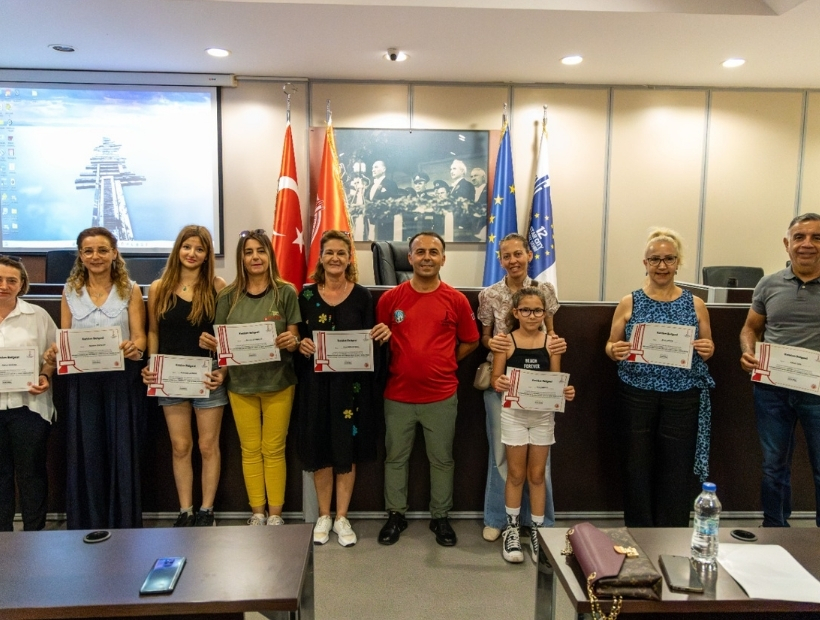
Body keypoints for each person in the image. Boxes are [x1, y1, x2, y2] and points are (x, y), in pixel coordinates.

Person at [376, 231, 479, 546]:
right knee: (395, 459)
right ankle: (396, 515)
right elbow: (379, 340)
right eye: (420, 252)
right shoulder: (390, 299)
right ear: (409, 258)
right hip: (398, 395)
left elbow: (471, 340)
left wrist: (445, 360)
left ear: (443, 259)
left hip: (441, 396)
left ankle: (440, 517)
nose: (426, 257)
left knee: (442, 460)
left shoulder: (456, 300)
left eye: (433, 252)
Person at [606, 228, 715, 527]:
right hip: (636, 394)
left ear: (678, 263)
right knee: (636, 466)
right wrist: (615, 350)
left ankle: (672, 532)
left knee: (677, 466)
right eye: (655, 259)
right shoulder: (630, 301)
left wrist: (708, 349)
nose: (662, 265)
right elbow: (610, 345)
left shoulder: (696, 304)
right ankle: (639, 532)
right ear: (645, 263)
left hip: (683, 396)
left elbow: (708, 347)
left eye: (669, 259)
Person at [295, 230, 391, 547]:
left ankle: (341, 517)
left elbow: (371, 340)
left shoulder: (362, 296)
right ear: (320, 258)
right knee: (319, 446)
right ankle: (324, 515)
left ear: (349, 259)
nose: (335, 258)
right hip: (315, 386)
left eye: (341, 252)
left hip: (351, 388)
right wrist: (301, 345)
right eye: (329, 252)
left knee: (345, 448)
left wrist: (381, 335)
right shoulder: (306, 296)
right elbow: (296, 338)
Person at [206, 229, 301, 525]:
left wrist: (291, 341)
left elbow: (295, 337)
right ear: (241, 258)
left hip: (278, 382)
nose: (255, 257)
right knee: (249, 450)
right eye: (248, 252)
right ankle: (257, 513)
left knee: (274, 450)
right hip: (240, 385)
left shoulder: (285, 292)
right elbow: (222, 345)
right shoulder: (227, 296)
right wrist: (220, 368)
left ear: (269, 255)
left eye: (260, 251)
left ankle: (275, 515)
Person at [55, 227, 147, 529]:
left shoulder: (130, 290)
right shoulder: (70, 292)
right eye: (89, 251)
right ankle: (88, 522)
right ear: (81, 256)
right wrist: (56, 351)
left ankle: (122, 523)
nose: (96, 256)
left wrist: (135, 348)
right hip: (83, 384)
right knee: (88, 451)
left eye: (103, 250)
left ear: (114, 253)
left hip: (121, 382)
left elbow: (140, 337)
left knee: (120, 451)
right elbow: (65, 337)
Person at [477, 233, 565, 546]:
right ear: (500, 259)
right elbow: (484, 336)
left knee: (539, 463)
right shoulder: (489, 294)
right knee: (501, 456)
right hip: (503, 381)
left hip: (539, 384)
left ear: (529, 255)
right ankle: (498, 519)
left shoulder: (544, 290)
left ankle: (540, 523)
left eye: (518, 254)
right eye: (506, 255)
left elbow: (551, 334)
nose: (513, 260)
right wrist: (498, 345)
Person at [141, 225, 227, 527]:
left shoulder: (218, 286)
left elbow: (226, 337)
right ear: (178, 249)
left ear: (207, 255)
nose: (192, 253)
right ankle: (185, 510)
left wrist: (223, 368)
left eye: (199, 249)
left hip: (208, 378)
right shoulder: (159, 287)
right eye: (187, 247)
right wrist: (151, 364)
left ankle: (206, 510)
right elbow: (153, 331)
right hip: (170, 378)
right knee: (180, 447)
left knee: (207, 446)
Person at [740, 212, 820, 527]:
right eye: (799, 237)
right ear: (787, 244)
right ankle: (775, 528)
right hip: (772, 390)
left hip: (817, 392)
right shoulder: (768, 284)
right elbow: (750, 328)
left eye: (816, 237)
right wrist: (748, 352)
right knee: (773, 466)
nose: (807, 244)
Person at [491, 287, 575, 563]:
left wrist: (565, 390)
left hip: (542, 416)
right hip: (513, 415)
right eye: (525, 310)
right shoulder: (506, 342)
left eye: (537, 310)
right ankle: (512, 529)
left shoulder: (551, 343)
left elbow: (556, 379)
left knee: (537, 475)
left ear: (544, 313)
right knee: (515, 474)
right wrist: (501, 382)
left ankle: (539, 531)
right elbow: (495, 379)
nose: (531, 315)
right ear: (515, 313)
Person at [0, 256, 56, 532]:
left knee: (31, 474)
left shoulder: (38, 316)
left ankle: (35, 535)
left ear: (22, 284)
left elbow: (53, 355)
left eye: (12, 280)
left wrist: (45, 375)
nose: (4, 285)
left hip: (29, 407)